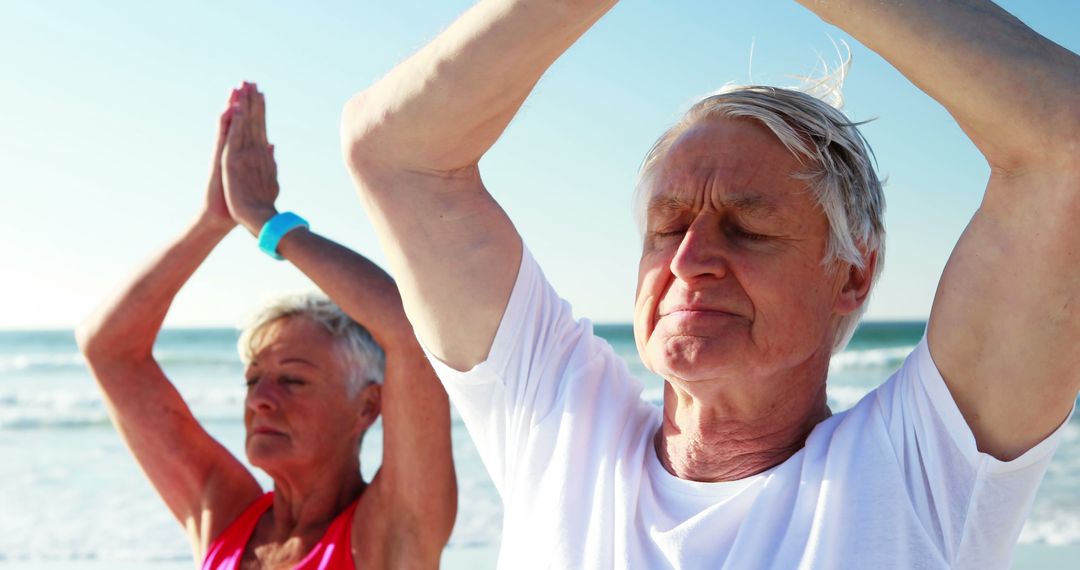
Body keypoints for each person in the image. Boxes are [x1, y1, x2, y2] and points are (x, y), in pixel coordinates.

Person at [338, 1, 1080, 568]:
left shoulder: (923, 469)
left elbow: (1062, 139)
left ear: (853, 275)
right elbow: (395, 151)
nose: (690, 259)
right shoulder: (559, 429)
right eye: (666, 227)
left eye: (747, 228)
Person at [77, 82, 455, 569]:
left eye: (293, 380)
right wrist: (213, 221)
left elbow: (410, 333)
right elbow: (107, 349)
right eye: (253, 379)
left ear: (367, 406)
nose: (260, 400)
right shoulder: (225, 514)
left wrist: (265, 222)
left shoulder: (390, 529)